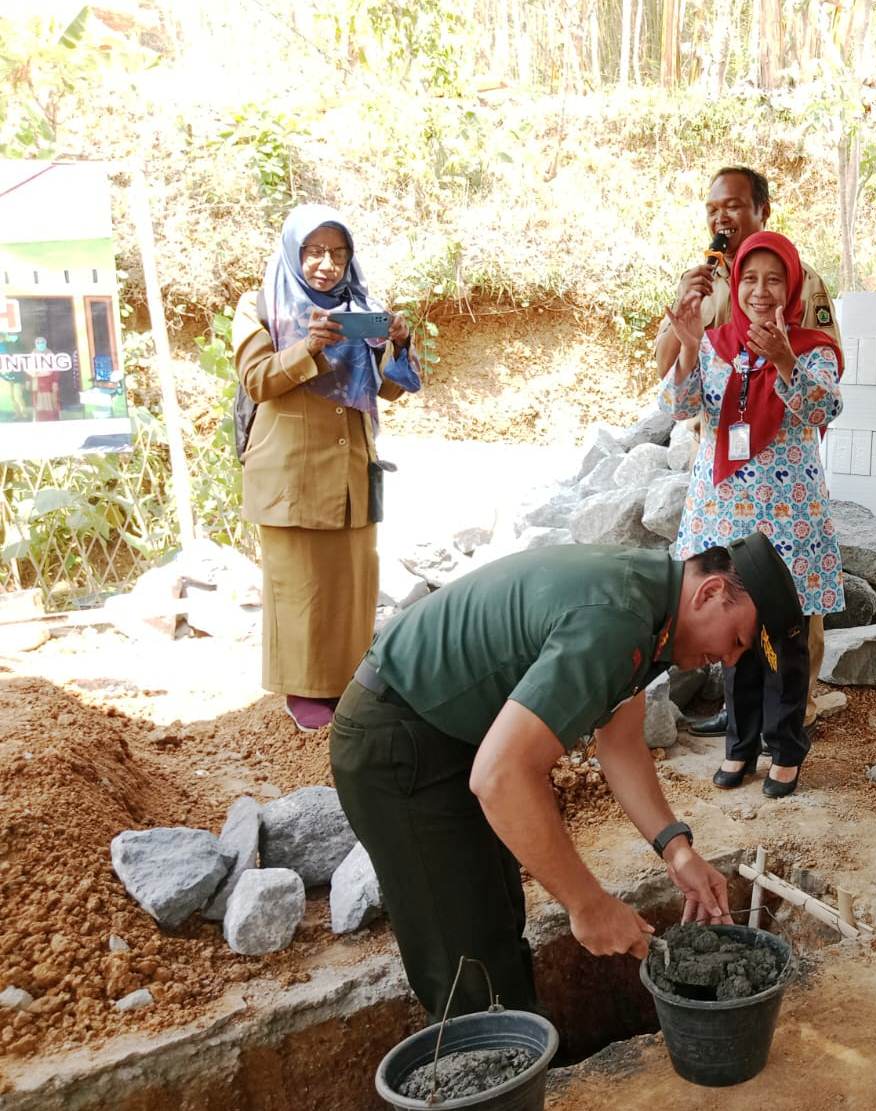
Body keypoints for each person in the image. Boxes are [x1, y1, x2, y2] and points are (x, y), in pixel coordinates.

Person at [331, 531, 801, 1020]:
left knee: (495, 921)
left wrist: (676, 849)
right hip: (398, 745)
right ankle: (483, 1076)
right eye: (737, 640)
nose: (729, 659)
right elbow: (501, 776)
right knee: (466, 963)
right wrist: (588, 904)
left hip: (448, 731)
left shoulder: (650, 603)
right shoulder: (617, 618)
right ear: (709, 593)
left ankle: (517, 1051)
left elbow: (619, 743)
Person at [655, 166, 843, 741]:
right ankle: (741, 718)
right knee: (724, 586)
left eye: (733, 206)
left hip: (780, 468)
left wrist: (786, 368)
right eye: (712, 207)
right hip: (721, 471)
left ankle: (794, 711)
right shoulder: (707, 278)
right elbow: (674, 375)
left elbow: (817, 367)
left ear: (762, 210)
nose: (721, 218)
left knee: (788, 606)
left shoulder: (800, 278)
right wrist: (683, 320)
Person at [233, 204, 421, 732]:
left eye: (337, 253)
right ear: (295, 252)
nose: (326, 264)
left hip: (351, 465)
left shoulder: (361, 305)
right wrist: (308, 347)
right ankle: (304, 689)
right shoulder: (260, 306)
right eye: (314, 252)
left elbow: (389, 388)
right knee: (300, 582)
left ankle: (347, 683)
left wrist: (398, 343)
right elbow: (257, 380)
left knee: (350, 580)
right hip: (290, 466)